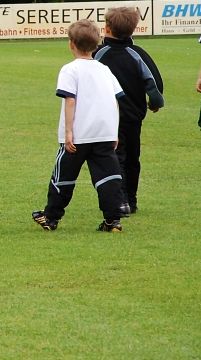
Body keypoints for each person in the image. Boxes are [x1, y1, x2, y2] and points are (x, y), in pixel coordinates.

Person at [32, 20, 129, 233]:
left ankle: (51, 217)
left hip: (79, 135)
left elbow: (70, 100)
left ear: (71, 44)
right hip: (104, 133)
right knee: (108, 176)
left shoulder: (70, 69)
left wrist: (68, 132)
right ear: (97, 43)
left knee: (63, 176)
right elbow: (116, 100)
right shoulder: (104, 69)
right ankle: (113, 220)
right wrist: (113, 131)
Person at [94, 7, 165, 215]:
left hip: (108, 117)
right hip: (134, 115)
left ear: (107, 28)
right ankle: (131, 200)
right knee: (133, 157)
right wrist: (155, 103)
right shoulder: (137, 54)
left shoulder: (99, 54)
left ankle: (122, 200)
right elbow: (154, 82)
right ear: (134, 29)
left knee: (117, 156)